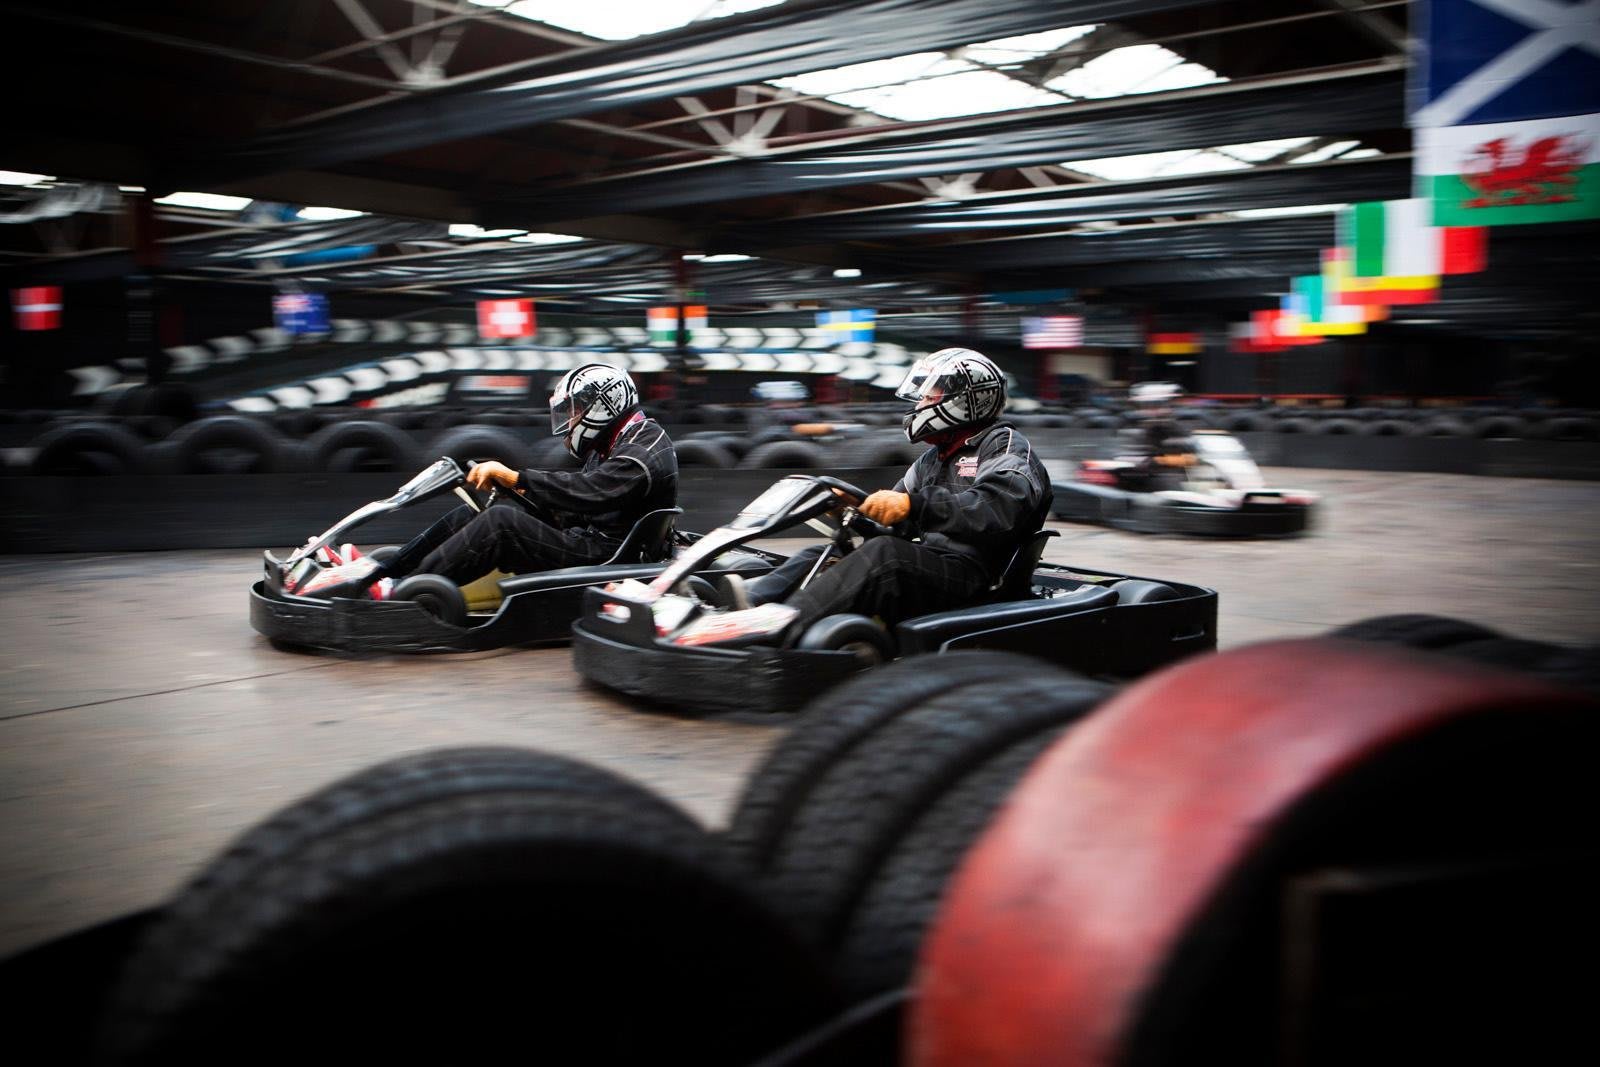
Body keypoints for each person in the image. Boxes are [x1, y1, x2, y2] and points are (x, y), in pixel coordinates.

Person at [720, 347, 1051, 639]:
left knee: (885, 556)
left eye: (928, 397)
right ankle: (744, 604)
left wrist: (913, 505)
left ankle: (777, 628)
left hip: (977, 576)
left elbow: (998, 509)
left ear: (965, 400)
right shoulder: (931, 461)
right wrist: (857, 511)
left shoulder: (1003, 446)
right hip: (936, 564)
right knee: (825, 554)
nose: (920, 404)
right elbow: (895, 524)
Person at [303, 363, 676, 598]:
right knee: (482, 510)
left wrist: (518, 477)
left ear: (603, 406)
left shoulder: (644, 449)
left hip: (607, 557)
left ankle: (400, 592)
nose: (572, 420)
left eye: (576, 411)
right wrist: (514, 489)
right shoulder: (617, 441)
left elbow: (590, 492)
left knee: (502, 524)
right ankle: (383, 571)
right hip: (592, 538)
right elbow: (582, 500)